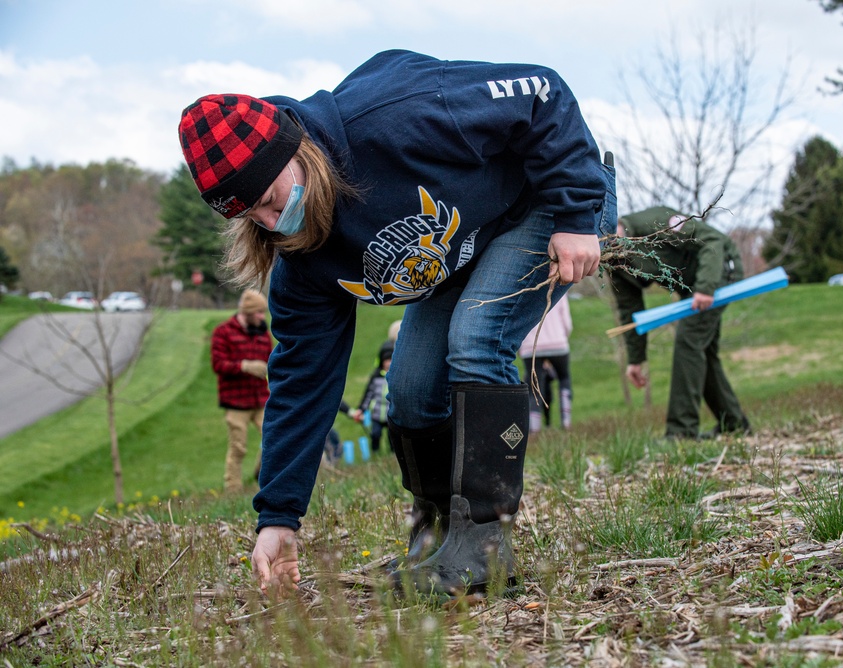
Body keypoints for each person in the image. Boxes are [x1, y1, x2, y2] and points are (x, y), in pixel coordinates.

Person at [178, 49, 616, 598]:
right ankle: (437, 538)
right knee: (407, 393)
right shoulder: (301, 263)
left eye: (270, 200)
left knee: (477, 337)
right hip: (468, 248)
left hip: (549, 203)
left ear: (295, 151)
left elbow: (540, 92)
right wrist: (278, 518)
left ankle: (483, 549)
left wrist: (577, 211)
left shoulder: (400, 113)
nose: (271, 222)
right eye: (252, 217)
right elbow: (300, 383)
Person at [610, 206, 750, 441]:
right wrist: (635, 359)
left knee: (689, 343)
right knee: (702, 351)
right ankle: (734, 424)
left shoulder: (656, 223)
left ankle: (681, 432)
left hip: (720, 271)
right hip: (693, 290)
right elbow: (629, 309)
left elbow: (712, 241)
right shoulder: (613, 259)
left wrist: (706, 287)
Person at [210, 289, 273, 493]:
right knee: (238, 448)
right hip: (236, 402)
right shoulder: (223, 332)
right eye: (259, 313)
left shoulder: (264, 334)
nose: (263, 317)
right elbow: (218, 364)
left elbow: (272, 359)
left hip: (261, 398)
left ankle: (260, 473)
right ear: (247, 312)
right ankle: (233, 491)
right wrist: (244, 366)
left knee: (274, 437)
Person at [518, 294, 573, 433]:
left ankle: (535, 428)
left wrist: (520, 347)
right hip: (557, 343)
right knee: (564, 379)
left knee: (534, 388)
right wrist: (562, 337)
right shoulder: (560, 288)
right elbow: (566, 321)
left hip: (531, 348)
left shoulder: (523, 290)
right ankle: (566, 422)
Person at [354, 345, 392, 452]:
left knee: (392, 437)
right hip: (376, 414)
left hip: (390, 414)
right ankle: (375, 452)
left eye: (391, 360)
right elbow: (368, 395)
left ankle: (393, 455)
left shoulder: (395, 377)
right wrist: (361, 409)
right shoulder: (375, 377)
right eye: (386, 360)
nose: (388, 363)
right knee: (375, 434)